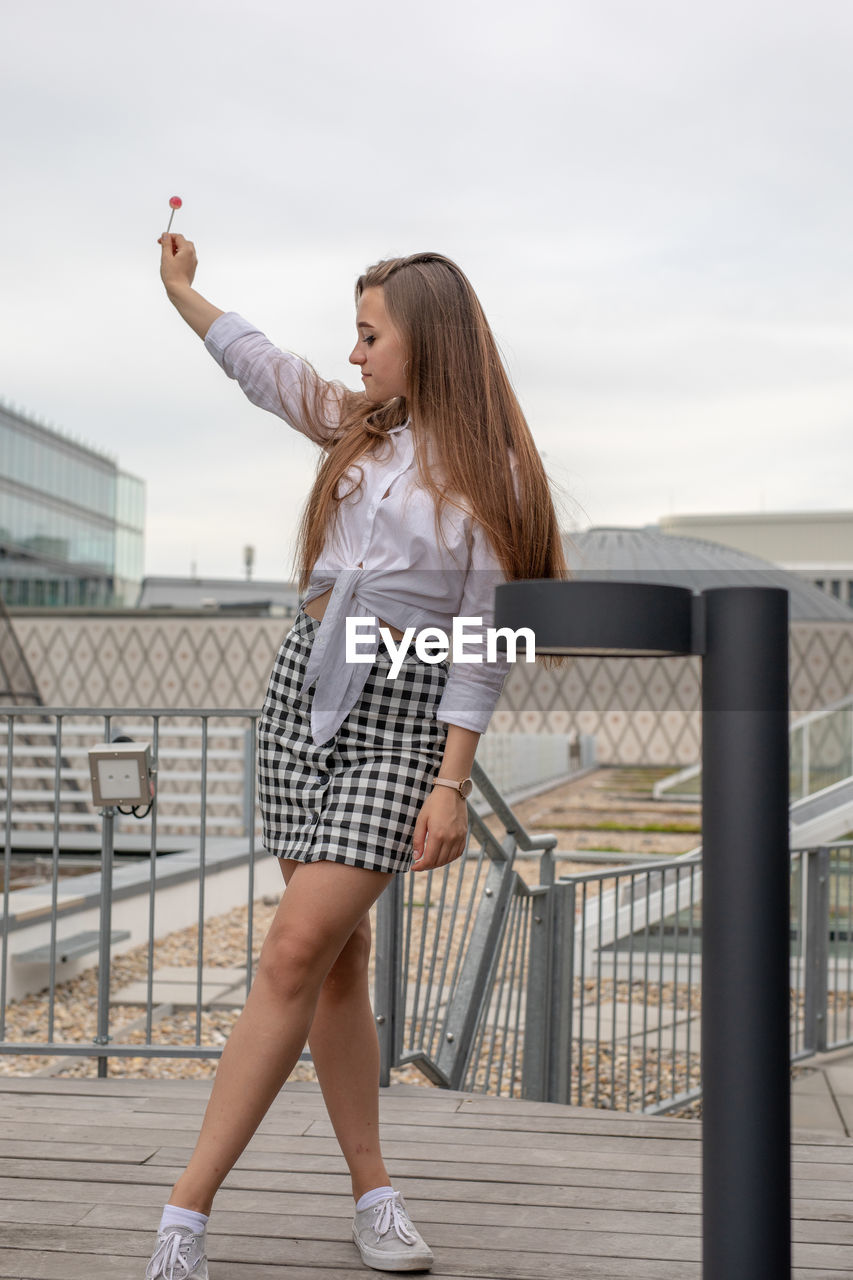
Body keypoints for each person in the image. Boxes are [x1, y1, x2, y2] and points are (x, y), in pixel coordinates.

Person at [145, 231, 568, 1280]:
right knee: (335, 967)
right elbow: (260, 366)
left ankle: (180, 1222)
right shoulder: (357, 427)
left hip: (404, 720)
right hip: (302, 698)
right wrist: (183, 291)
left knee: (292, 949)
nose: (354, 351)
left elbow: (478, 646)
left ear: (424, 339)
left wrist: (452, 780)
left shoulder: (496, 474)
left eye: (370, 333)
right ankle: (373, 1194)